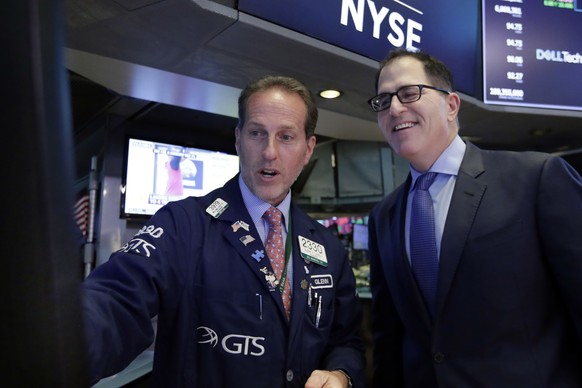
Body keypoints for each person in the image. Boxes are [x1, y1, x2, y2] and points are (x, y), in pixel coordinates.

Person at [82, 75, 365, 387]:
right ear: (238, 139)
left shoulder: (326, 247)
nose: (269, 152)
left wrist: (341, 374)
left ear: (308, 149)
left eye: (286, 137)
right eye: (257, 133)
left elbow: (346, 341)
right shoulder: (183, 223)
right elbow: (115, 298)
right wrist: (65, 340)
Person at [367, 48, 582, 387]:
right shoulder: (384, 216)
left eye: (409, 93)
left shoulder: (535, 178)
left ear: (451, 105)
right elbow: (389, 338)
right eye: (383, 101)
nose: (394, 108)